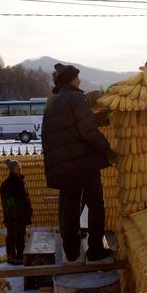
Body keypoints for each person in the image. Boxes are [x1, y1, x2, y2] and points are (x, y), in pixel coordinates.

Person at [41, 64, 117, 265]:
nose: (80, 80)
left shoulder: (54, 101)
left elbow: (69, 125)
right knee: (95, 204)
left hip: (62, 165)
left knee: (69, 207)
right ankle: (95, 249)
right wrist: (108, 151)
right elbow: (87, 131)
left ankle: (72, 252)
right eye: (78, 77)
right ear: (72, 79)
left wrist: (98, 118)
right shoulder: (76, 98)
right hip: (82, 163)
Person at [0, 159, 32, 265]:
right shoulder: (7, 185)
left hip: (22, 215)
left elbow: (25, 198)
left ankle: (20, 255)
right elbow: (8, 203)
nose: (20, 168)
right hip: (13, 217)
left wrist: (28, 211)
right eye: (18, 167)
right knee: (12, 237)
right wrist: (13, 216)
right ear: (13, 169)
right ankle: (11, 257)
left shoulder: (21, 181)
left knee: (21, 236)